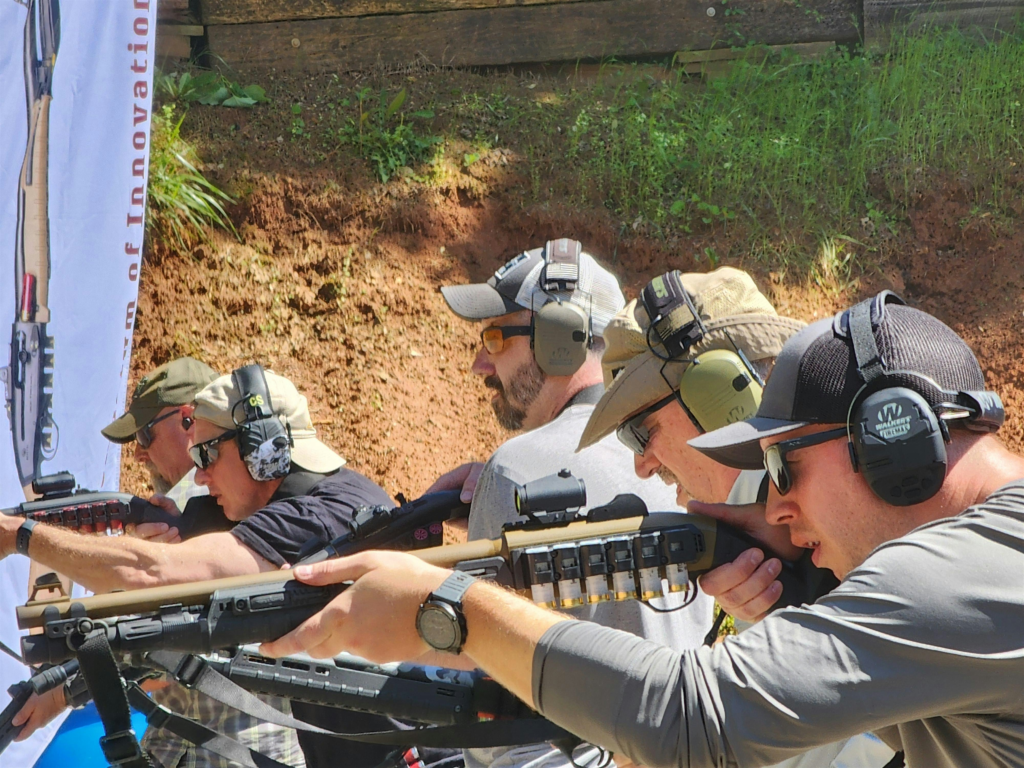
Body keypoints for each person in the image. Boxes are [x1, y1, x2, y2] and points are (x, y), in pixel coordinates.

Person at [261, 292, 1023, 768]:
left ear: (893, 444)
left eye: (785, 467)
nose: (779, 507)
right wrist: (797, 607)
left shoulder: (966, 569)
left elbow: (695, 720)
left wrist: (454, 610)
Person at [2, 366, 398, 768]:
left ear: (261, 448)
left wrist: (19, 535)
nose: (202, 476)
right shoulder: (336, 497)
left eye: (208, 454)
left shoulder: (311, 519)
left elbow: (149, 573)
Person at [575, 268, 894, 767]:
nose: (642, 464)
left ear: (720, 393)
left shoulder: (863, 526)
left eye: (640, 432)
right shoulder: (779, 537)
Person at [431, 240, 712, 768]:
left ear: (561, 338)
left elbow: (474, 663)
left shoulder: (515, 467)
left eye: (494, 338)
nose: (480, 364)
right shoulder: (671, 456)